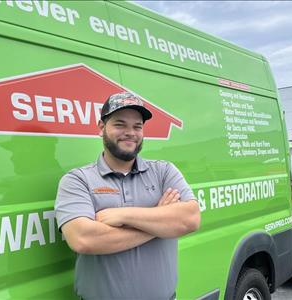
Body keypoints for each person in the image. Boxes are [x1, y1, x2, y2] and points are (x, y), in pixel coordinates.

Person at [55, 92, 200, 300]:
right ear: (101, 128)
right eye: (120, 124)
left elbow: (191, 219)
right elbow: (83, 239)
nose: (130, 133)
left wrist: (124, 215)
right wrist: (160, 222)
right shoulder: (78, 180)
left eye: (137, 126)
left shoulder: (164, 172)